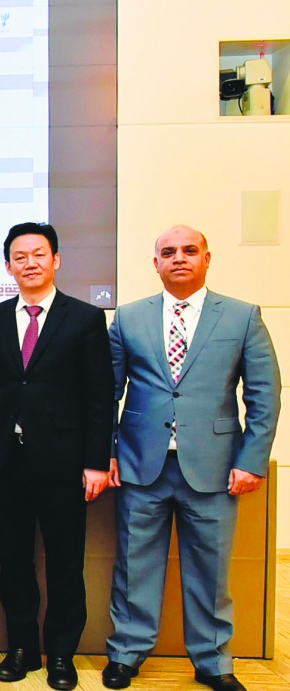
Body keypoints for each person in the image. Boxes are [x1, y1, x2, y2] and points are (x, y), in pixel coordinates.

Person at [102, 226, 280, 691]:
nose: (178, 257)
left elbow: (265, 393)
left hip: (217, 468)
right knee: (134, 567)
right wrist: (108, 452)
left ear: (206, 257)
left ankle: (214, 662)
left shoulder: (242, 317)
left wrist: (253, 459)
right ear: (155, 263)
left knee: (211, 568)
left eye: (189, 250)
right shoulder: (129, 318)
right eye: (167, 252)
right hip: (142, 465)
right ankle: (126, 653)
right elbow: (106, 393)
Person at [0, 222, 113, 691]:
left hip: (65, 466)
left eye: (38, 254)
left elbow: (99, 396)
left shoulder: (85, 319)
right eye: (19, 256)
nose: (29, 263)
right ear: (7, 265)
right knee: (13, 561)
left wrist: (96, 460)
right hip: (5, 462)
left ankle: (61, 655)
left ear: (56, 260)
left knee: (65, 563)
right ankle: (21, 649)